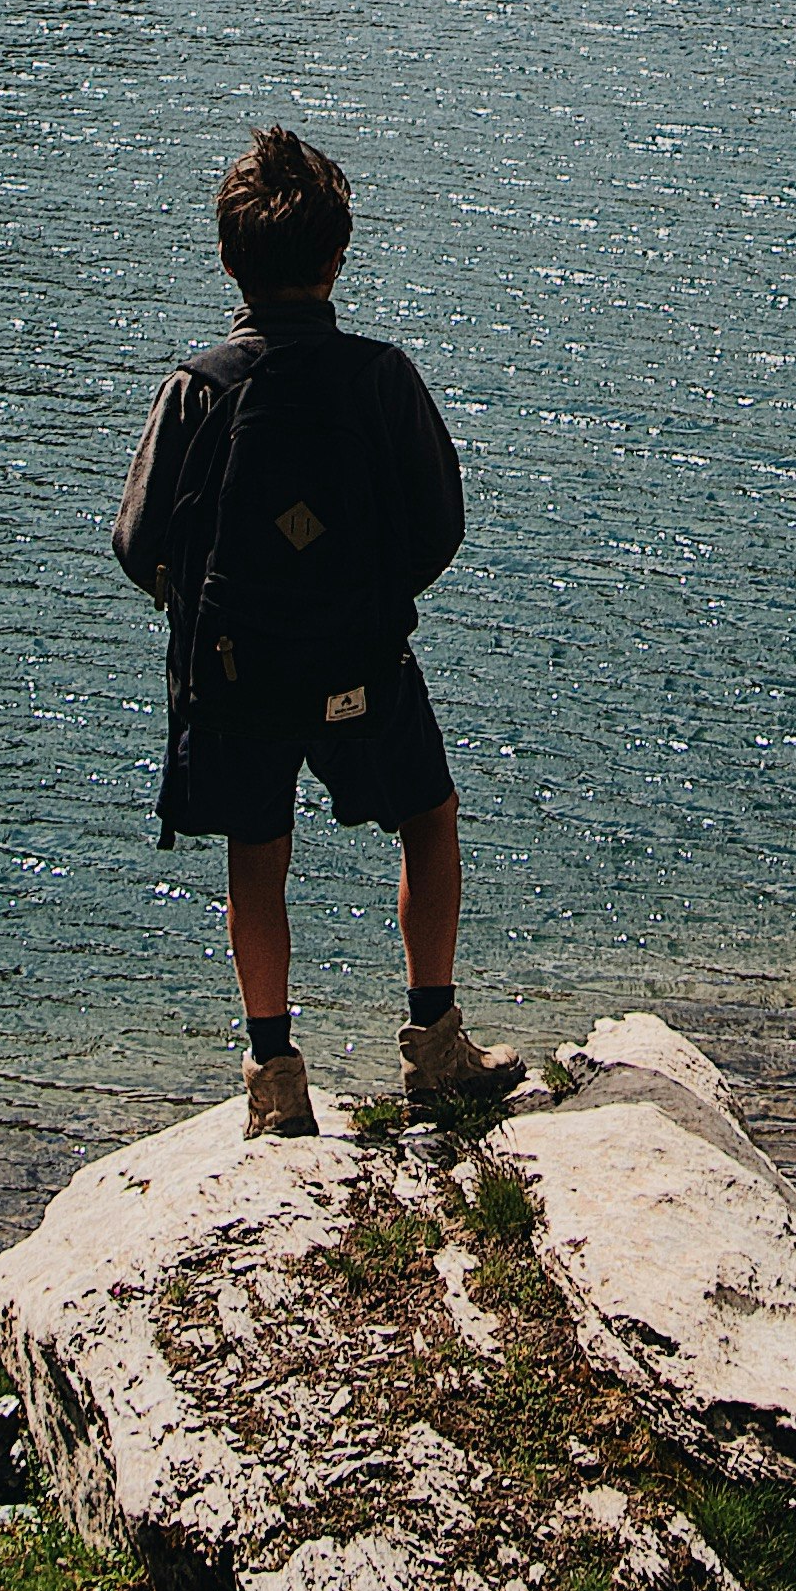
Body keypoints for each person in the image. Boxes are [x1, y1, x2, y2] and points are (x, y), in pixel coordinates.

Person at [111, 126, 523, 1138]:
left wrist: (204, 608)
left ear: (228, 261)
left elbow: (136, 541)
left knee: (258, 855)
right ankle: (434, 1044)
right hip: (360, 659)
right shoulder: (382, 380)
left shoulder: (199, 389)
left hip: (236, 668)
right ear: (340, 257)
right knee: (426, 817)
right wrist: (366, 601)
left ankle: (276, 1077)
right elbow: (438, 528)